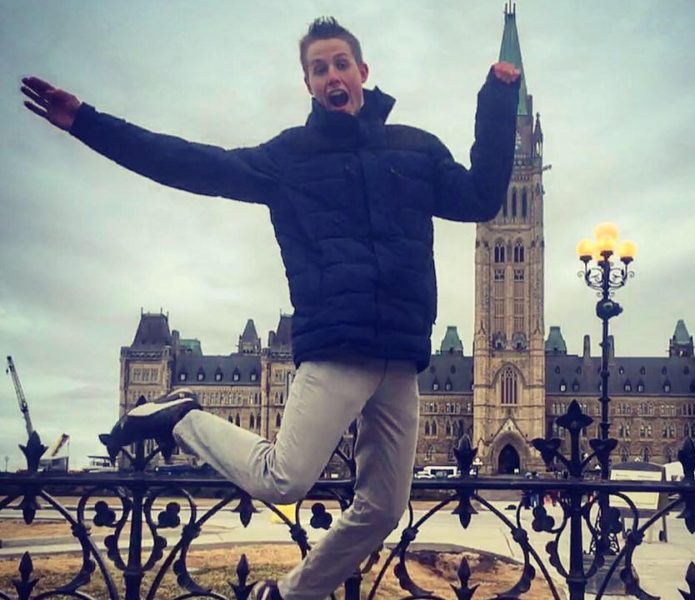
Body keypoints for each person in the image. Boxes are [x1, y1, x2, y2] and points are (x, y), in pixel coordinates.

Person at [20, 16, 520, 600]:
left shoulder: (416, 148)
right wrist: (86, 122)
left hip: (402, 358)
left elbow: (482, 198)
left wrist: (497, 100)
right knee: (284, 479)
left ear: (362, 71)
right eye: (319, 68)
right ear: (308, 84)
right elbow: (189, 163)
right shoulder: (289, 157)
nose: (332, 76)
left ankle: (286, 595)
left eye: (340, 64)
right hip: (337, 349)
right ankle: (182, 417)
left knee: (385, 508)